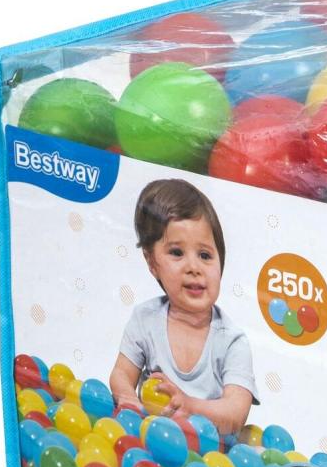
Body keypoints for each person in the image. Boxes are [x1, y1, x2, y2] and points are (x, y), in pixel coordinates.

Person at [109, 179, 256, 438]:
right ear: (152, 262)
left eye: (205, 255)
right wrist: (129, 401)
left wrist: (189, 406)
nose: (194, 268)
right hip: (152, 442)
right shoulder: (145, 319)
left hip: (211, 453)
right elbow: (121, 373)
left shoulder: (231, 341)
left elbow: (236, 413)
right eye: (177, 252)